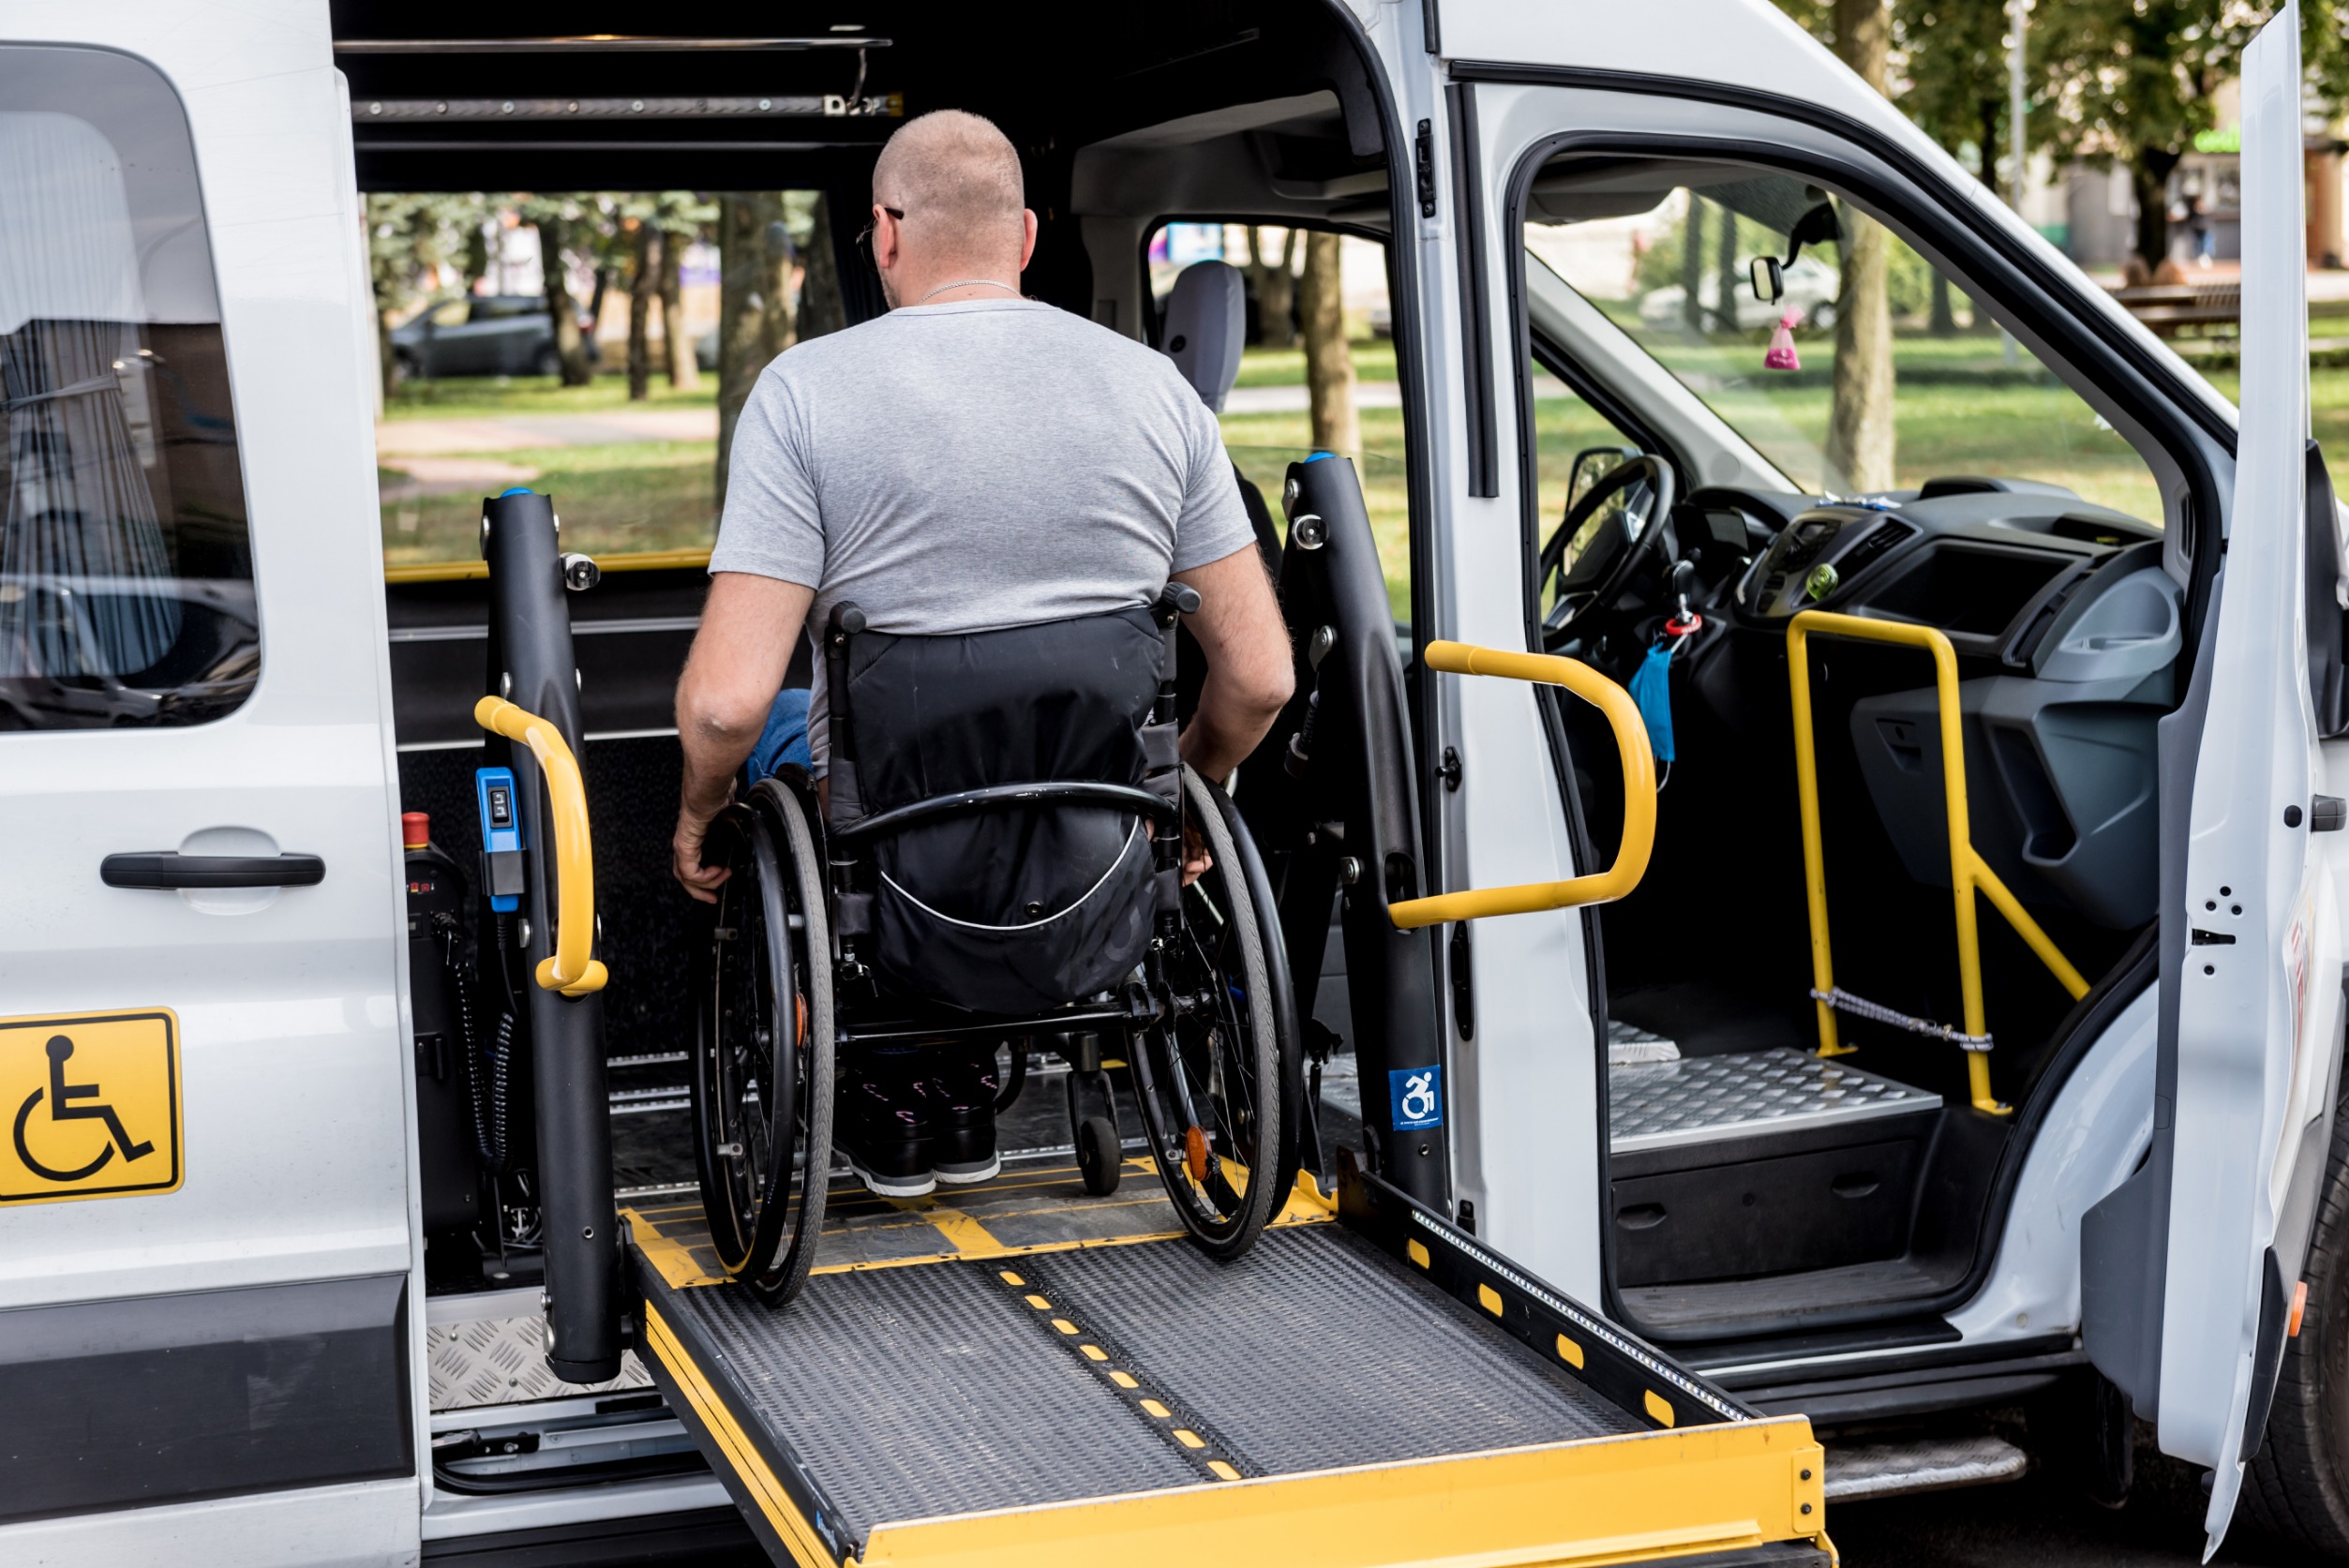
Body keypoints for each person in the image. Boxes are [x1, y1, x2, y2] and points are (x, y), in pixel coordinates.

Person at [669, 109, 1294, 1199]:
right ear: (1026, 238)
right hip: (1105, 834)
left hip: (896, 845)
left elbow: (723, 704)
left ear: (883, 234)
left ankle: (907, 1075)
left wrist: (694, 814)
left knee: (777, 730)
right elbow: (1261, 677)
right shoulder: (1158, 393)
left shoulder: (805, 395)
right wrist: (1195, 787)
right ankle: (947, 1066)